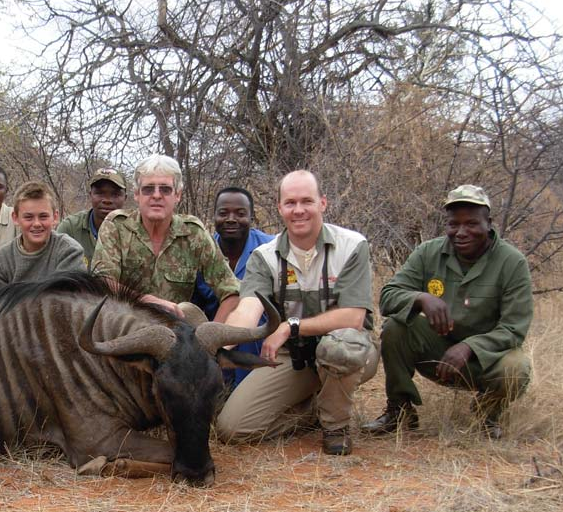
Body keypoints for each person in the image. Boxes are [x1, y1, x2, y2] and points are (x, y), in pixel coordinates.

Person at [216, 170, 378, 456]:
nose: (299, 210)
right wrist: (214, 348)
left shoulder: (352, 245)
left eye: (307, 201)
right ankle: (315, 407)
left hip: (347, 348)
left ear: (323, 203)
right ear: (279, 207)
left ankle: (335, 426)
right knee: (233, 429)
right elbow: (248, 309)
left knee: (338, 348)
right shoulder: (264, 256)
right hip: (294, 356)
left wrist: (290, 326)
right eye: (290, 203)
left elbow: (353, 317)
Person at [363, 184, 533, 439]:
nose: (461, 232)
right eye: (454, 224)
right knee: (395, 328)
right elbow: (388, 297)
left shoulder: (512, 262)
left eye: (472, 224)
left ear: (489, 223)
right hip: (438, 353)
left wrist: (470, 347)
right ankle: (399, 410)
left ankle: (487, 415)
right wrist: (420, 298)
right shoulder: (428, 252)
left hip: (484, 360)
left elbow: (514, 329)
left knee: (516, 367)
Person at [91, 154, 240, 321]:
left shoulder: (194, 233)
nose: (156, 195)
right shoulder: (116, 226)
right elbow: (102, 284)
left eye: (165, 189)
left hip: (175, 336)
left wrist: (211, 338)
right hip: (123, 329)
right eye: (148, 189)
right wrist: (149, 302)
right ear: (136, 194)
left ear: (177, 195)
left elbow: (232, 291)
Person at [192, 187, 275, 387]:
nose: (231, 219)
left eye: (240, 213)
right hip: (214, 335)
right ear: (214, 217)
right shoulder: (203, 249)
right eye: (223, 213)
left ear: (252, 217)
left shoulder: (271, 248)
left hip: (258, 339)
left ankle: (247, 388)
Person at [0, 181, 87, 292]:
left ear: (55, 217)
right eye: (28, 217)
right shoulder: (1, 261)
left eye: (43, 216)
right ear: (15, 218)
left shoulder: (70, 252)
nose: (37, 224)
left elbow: (67, 301)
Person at [57, 167, 127, 263]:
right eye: (100, 193)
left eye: (115, 194)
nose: (107, 200)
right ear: (91, 195)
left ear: (125, 198)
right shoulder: (70, 228)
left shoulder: (135, 231)